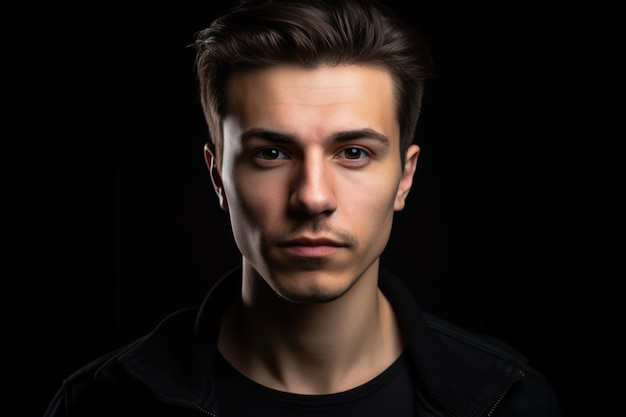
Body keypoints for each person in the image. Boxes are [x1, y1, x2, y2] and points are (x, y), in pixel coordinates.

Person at [45, 0, 561, 416]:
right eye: (271, 153)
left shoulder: (512, 402)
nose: (313, 197)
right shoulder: (98, 404)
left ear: (405, 178)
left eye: (353, 153)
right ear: (216, 177)